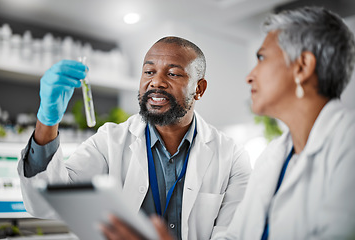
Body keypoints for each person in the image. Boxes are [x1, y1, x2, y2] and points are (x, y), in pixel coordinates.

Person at [102, 6, 355, 240]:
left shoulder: (348, 145)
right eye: (149, 72)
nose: (249, 76)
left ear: (303, 66)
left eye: (262, 58)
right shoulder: (273, 157)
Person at [17, 36, 251, 240]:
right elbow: (44, 204)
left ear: (199, 88)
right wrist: (47, 121)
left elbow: (233, 235)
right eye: (149, 71)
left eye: (173, 73)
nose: (156, 82)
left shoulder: (231, 156)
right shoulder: (109, 141)